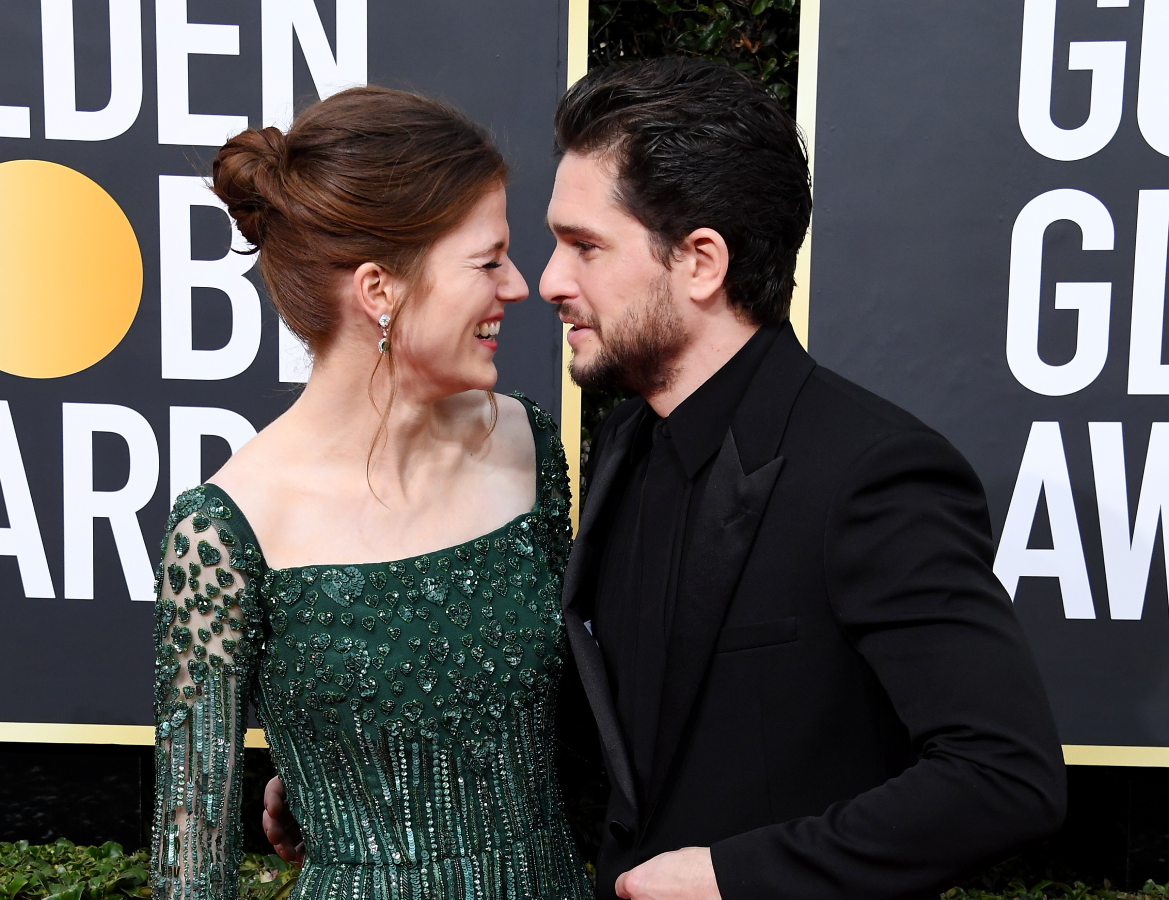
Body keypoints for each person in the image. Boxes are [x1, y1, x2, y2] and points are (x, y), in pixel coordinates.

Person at [264, 59, 1069, 900]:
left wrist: (733, 877)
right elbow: (613, 738)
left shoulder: (872, 475)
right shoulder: (624, 443)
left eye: (585, 246)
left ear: (700, 262)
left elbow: (1006, 779)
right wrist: (366, 760)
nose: (548, 282)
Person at [151, 86, 592, 900]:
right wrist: (325, 771)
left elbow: (559, 714)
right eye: (488, 260)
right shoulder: (224, 530)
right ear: (379, 289)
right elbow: (192, 864)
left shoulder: (528, 444)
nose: (520, 287)